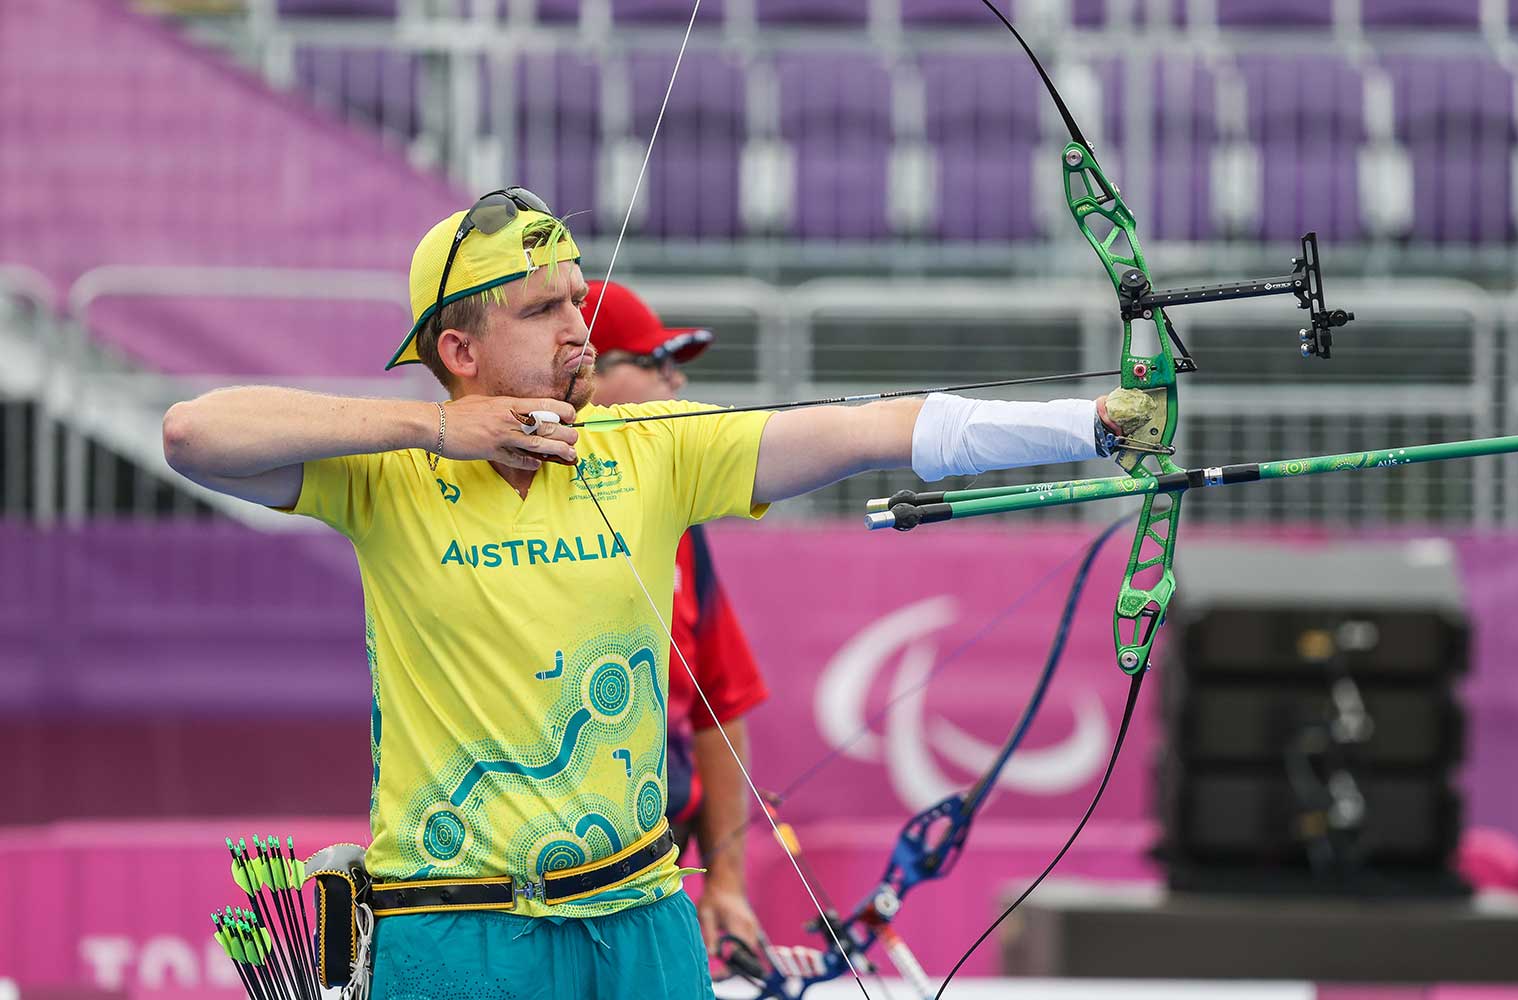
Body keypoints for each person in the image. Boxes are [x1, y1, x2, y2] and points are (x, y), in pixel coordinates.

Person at [161, 188, 1132, 1000]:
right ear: (459, 351)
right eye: (543, 310)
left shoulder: (649, 449)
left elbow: (874, 429)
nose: (579, 330)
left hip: (641, 922)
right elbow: (193, 435)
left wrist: (1090, 424)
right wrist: (435, 431)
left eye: (578, 299)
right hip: (456, 932)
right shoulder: (385, 478)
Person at [580, 279, 769, 957]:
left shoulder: (680, 526)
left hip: (657, 869)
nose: (676, 382)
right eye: (655, 363)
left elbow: (721, 706)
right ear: (585, 371)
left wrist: (727, 883)